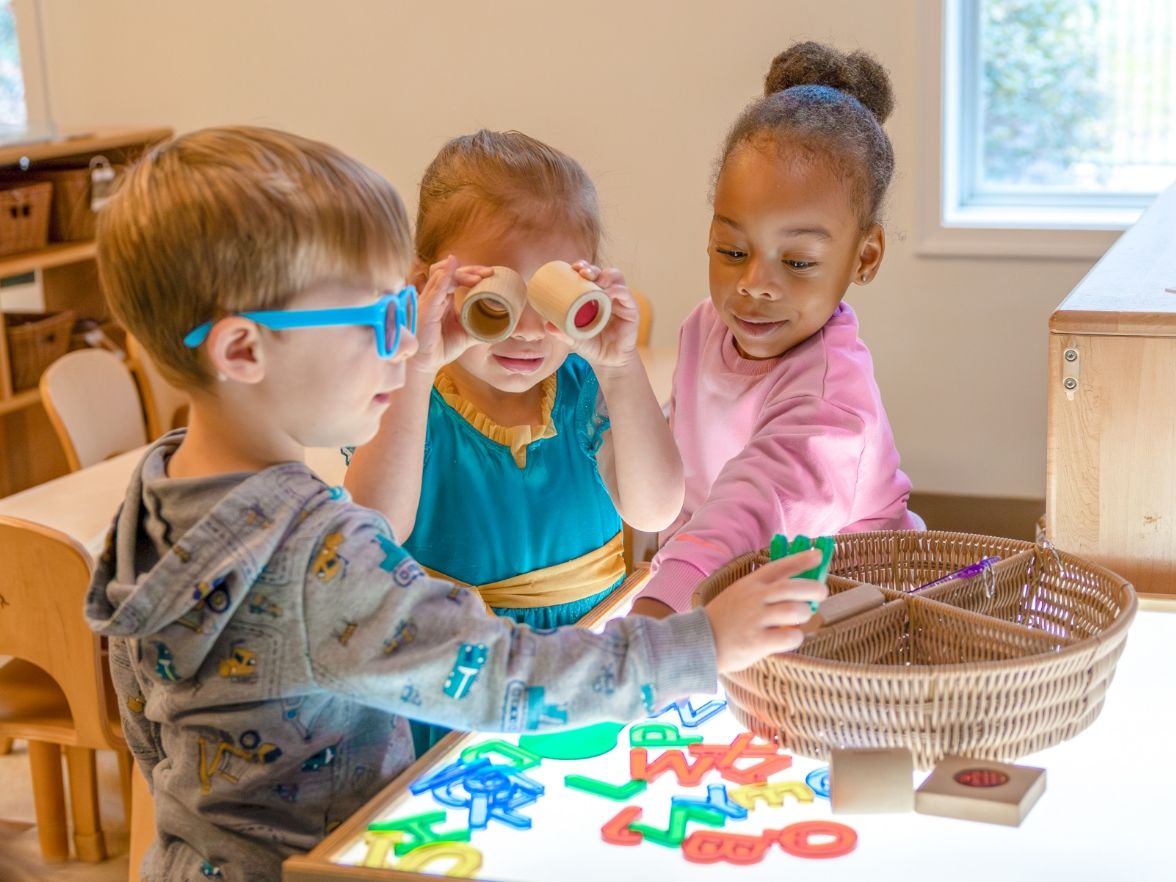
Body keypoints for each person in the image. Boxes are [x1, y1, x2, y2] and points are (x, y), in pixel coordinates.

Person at [84, 125, 826, 880]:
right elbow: (505, 679)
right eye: (380, 318)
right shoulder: (315, 553)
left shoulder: (158, 490)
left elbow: (145, 717)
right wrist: (705, 646)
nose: (404, 338)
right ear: (244, 352)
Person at [346, 130, 682, 630]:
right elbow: (373, 531)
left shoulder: (588, 389)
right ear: (425, 283)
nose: (526, 332)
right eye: (495, 299)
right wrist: (416, 369)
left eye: (551, 299)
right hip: (451, 650)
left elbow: (655, 512)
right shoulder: (400, 390)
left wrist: (619, 365)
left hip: (585, 653)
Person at [632, 42, 921, 618]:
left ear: (865, 258)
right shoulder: (705, 327)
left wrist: (654, 627)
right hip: (749, 602)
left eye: (797, 262)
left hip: (857, 617)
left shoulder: (830, 400)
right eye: (732, 249)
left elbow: (747, 506)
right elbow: (686, 482)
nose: (755, 283)